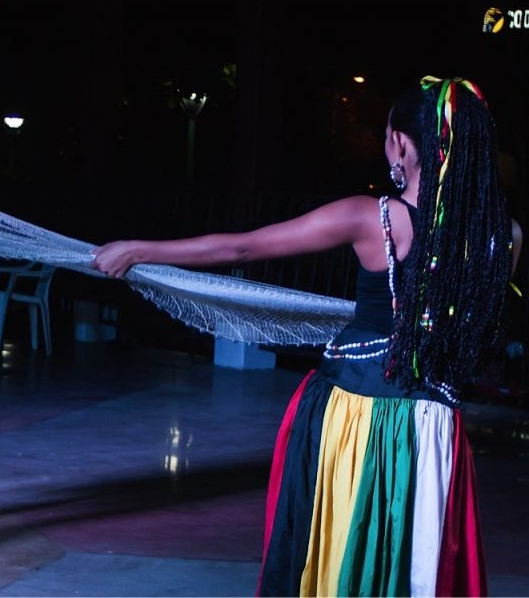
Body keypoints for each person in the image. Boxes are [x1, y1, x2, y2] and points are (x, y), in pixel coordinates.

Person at [93, 77, 523, 596]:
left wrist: (140, 250)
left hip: (357, 418)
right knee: (418, 557)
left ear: (400, 144)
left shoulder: (373, 218)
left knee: (346, 547)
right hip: (435, 427)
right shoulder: (505, 237)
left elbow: (244, 248)